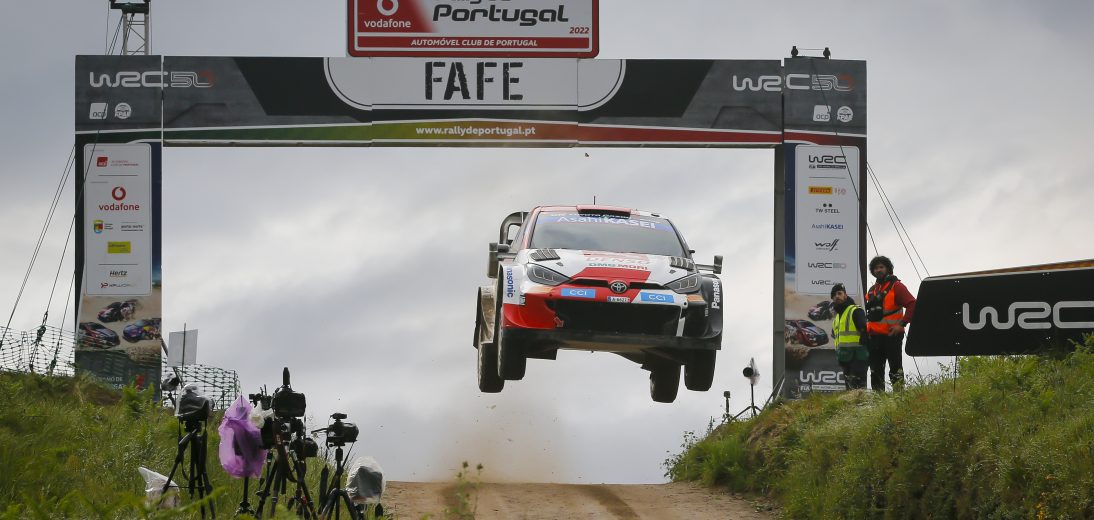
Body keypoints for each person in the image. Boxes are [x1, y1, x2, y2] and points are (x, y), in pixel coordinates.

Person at [864, 256, 916, 391]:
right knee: (875, 371)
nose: (878, 270)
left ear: (888, 269)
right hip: (874, 337)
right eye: (876, 268)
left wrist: (902, 324)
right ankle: (879, 399)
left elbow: (912, 304)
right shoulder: (872, 290)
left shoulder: (896, 286)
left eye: (881, 267)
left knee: (895, 369)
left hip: (892, 335)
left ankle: (899, 397)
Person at [830, 283, 868, 389]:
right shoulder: (837, 317)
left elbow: (865, 329)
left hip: (858, 356)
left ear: (845, 296)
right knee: (850, 388)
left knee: (859, 387)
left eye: (839, 293)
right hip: (844, 356)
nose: (837, 296)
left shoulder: (855, 310)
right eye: (834, 295)